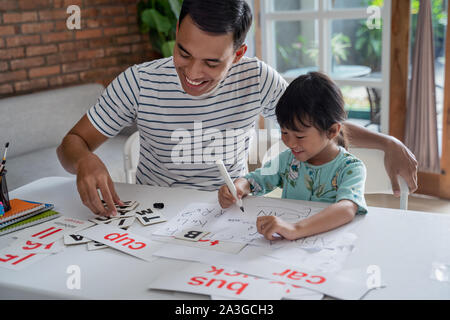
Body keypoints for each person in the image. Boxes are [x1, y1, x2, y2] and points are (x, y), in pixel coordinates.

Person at [57, 0, 417, 217]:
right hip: (157, 211)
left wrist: (389, 143)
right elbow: (71, 143)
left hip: (229, 209)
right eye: (183, 52)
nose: (193, 73)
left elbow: (320, 124)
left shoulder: (255, 77)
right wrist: (85, 159)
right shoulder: (140, 80)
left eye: (212, 63)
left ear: (239, 54)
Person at [218, 72, 367, 241]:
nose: (290, 142)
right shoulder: (289, 160)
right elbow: (255, 180)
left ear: (332, 131)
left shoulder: (350, 168)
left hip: (327, 246)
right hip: (287, 247)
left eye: (300, 136)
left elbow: (347, 208)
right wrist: (238, 187)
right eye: (284, 132)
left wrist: (295, 228)